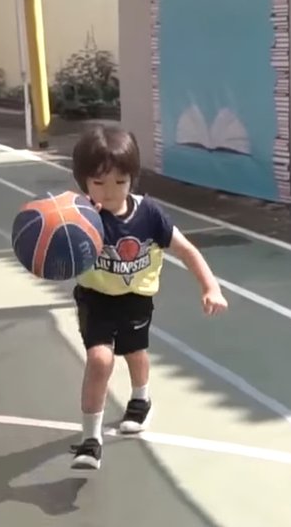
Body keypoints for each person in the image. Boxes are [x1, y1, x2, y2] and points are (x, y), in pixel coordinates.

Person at [70, 124, 228, 470]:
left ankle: (141, 398)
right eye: (98, 182)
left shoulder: (149, 214)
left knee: (134, 352)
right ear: (83, 181)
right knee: (100, 360)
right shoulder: (80, 216)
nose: (109, 192)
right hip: (95, 297)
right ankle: (90, 439)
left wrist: (210, 286)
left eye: (119, 182)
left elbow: (186, 250)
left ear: (132, 179)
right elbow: (54, 250)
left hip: (135, 297)